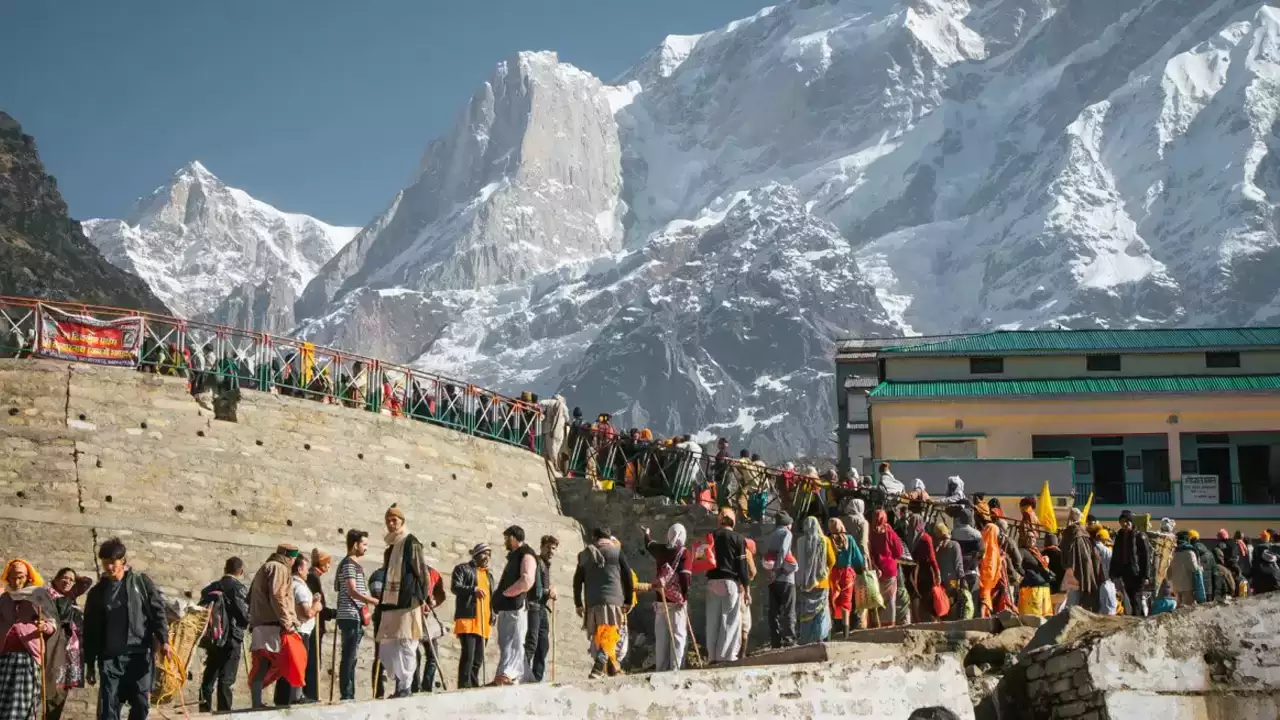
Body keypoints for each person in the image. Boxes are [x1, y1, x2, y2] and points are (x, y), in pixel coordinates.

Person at [83, 538, 171, 720]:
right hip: (110, 658)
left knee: (141, 704)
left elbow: (157, 613)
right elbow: (89, 629)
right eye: (105, 563)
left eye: (112, 563)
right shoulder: (97, 593)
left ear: (122, 560)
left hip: (139, 655)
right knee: (109, 708)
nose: (108, 568)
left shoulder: (141, 583)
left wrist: (164, 640)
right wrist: (90, 663)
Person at [376, 504, 434, 698]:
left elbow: (422, 572)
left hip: (408, 601)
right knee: (388, 645)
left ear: (402, 521)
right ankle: (399, 683)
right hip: (391, 603)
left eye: (395, 521)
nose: (391, 524)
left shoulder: (411, 543)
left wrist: (424, 597)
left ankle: (405, 686)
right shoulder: (390, 548)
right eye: (388, 521)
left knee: (408, 644)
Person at [0, 559, 57, 720]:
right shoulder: (4, 598)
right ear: (7, 577)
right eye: (12, 577)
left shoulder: (38, 595)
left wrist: (44, 627)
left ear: (28, 578)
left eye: (20, 577)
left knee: (21, 701)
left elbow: (52, 622)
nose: (16, 581)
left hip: (27, 657)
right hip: (4, 656)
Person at [574, 527, 635, 677]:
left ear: (595, 538)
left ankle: (609, 668)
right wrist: (628, 600)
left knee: (601, 634)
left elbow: (577, 581)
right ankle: (600, 662)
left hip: (593, 602)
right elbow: (627, 577)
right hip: (614, 600)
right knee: (611, 632)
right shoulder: (616, 552)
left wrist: (578, 603)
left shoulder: (584, 555)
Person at [246, 544, 302, 709]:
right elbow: (277, 596)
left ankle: (257, 702)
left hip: (261, 623)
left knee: (263, 664)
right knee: (287, 661)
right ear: (290, 558)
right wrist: (287, 622)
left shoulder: (265, 567)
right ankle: (291, 699)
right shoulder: (279, 568)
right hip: (272, 625)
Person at [197, 557, 249, 713]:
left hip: (213, 638)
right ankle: (224, 713)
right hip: (231, 638)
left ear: (225, 569)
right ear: (240, 571)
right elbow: (244, 615)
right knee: (226, 678)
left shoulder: (210, 588)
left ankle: (204, 710)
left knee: (209, 675)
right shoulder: (238, 588)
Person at [491, 525, 538, 685]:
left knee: (514, 639)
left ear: (513, 537)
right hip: (507, 606)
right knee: (506, 640)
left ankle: (508, 673)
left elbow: (527, 580)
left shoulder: (526, 555)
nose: (505, 541)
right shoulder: (515, 556)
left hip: (515, 605)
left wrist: (505, 594)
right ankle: (521, 675)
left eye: (507, 538)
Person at [335, 529, 378, 701]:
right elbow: (352, 591)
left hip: (355, 616)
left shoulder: (353, 565)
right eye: (364, 544)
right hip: (350, 615)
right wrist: (371, 600)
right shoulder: (348, 565)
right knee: (349, 656)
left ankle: (349, 692)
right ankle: (347, 694)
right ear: (355, 545)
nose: (366, 548)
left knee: (352, 657)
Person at [274, 556, 321, 705]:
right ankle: (297, 696)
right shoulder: (299, 587)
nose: (308, 572)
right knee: (298, 664)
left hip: (291, 630)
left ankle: (282, 698)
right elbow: (306, 613)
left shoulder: (289, 585)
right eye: (306, 569)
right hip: (301, 630)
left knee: (288, 665)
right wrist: (316, 607)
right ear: (300, 569)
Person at [645, 523, 693, 670]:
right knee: (678, 636)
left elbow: (649, 544)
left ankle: (661, 668)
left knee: (661, 638)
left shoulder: (660, 549)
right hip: (676, 602)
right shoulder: (684, 553)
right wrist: (684, 596)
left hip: (661, 599)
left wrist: (647, 533)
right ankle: (675, 668)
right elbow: (685, 577)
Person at [705, 509, 751, 663]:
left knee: (713, 620)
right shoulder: (738, 538)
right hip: (730, 582)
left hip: (712, 582)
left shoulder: (711, 536)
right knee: (730, 620)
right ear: (733, 523)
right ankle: (725, 656)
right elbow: (742, 567)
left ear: (719, 522)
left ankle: (712, 656)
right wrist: (747, 589)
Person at [46, 567, 92, 720]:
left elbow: (87, 581)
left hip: (71, 653)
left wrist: (74, 582)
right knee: (53, 692)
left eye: (71, 580)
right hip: (56, 650)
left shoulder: (70, 599)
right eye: (64, 578)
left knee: (61, 692)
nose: (67, 582)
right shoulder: (50, 596)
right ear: (56, 578)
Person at [452, 544, 495, 688]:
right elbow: (455, 587)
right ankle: (464, 685)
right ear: (476, 554)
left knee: (478, 659)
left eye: (489, 554)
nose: (487, 557)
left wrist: (493, 613)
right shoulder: (463, 569)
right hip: (468, 618)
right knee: (468, 656)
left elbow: (491, 598)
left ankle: (474, 685)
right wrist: (473, 589)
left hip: (484, 621)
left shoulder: (489, 576)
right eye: (484, 553)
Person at [793, 516, 834, 644]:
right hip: (821, 582)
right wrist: (825, 571)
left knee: (806, 612)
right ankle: (820, 637)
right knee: (821, 611)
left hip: (804, 583)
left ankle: (805, 639)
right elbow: (832, 560)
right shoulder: (824, 540)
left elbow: (797, 560)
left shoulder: (800, 541)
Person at [524, 535, 558, 683]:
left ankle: (537, 678)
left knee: (543, 644)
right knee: (532, 642)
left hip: (542, 608)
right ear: (542, 547)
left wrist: (550, 588)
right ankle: (522, 673)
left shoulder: (546, 565)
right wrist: (548, 591)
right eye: (548, 547)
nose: (551, 551)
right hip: (533, 607)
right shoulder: (537, 562)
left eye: (554, 548)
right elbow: (534, 588)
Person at [763, 512, 798, 648]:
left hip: (772, 579)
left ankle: (775, 641)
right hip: (786, 578)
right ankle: (789, 640)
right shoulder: (786, 533)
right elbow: (783, 551)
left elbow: (767, 554)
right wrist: (779, 569)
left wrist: (773, 572)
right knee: (789, 610)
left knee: (774, 611)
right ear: (787, 523)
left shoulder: (771, 534)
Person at [303, 550, 332, 702]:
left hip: (315, 624)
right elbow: (320, 605)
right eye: (327, 562)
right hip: (315, 625)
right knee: (313, 660)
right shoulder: (313, 577)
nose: (329, 565)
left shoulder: (314, 576)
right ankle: (312, 694)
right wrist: (335, 613)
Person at [1110, 510, 1151, 616]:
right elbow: (1116, 555)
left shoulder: (1139, 536)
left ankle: (1137, 620)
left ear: (1132, 522)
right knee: (1131, 596)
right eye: (1122, 521)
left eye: (1127, 521)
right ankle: (1138, 618)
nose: (1125, 524)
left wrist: (1146, 575)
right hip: (1125, 571)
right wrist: (1113, 572)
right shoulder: (1119, 536)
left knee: (1136, 597)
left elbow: (1145, 556)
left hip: (1137, 572)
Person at [869, 510, 904, 627]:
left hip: (876, 570)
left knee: (877, 597)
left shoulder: (870, 532)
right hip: (889, 569)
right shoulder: (889, 532)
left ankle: (876, 623)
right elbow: (899, 551)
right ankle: (889, 624)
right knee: (890, 599)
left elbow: (870, 552)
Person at [828, 518, 863, 634]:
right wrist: (860, 569)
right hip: (847, 574)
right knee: (846, 601)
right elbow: (858, 558)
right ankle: (846, 631)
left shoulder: (828, 540)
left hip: (833, 573)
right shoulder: (850, 539)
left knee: (834, 600)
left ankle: (836, 625)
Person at [1017, 532, 1055, 617]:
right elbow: (1017, 564)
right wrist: (1025, 575)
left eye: (1033, 537)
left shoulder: (1036, 552)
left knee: (1045, 618)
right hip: (1032, 589)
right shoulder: (1022, 551)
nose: (1031, 539)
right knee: (1033, 617)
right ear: (1024, 539)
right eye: (1028, 537)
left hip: (1044, 588)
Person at [934, 524, 966, 619]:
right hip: (952, 581)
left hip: (940, 581)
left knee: (942, 603)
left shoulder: (936, 548)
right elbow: (958, 565)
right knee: (952, 603)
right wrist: (962, 580)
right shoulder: (954, 545)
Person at [1168, 532, 1206, 607]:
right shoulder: (1189, 552)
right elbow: (1194, 568)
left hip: (1175, 585)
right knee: (1187, 609)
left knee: (1178, 607)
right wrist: (1200, 568)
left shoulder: (1172, 551)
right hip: (1187, 585)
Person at [1188, 531, 1217, 603]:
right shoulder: (1209, 553)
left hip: (1195, 590)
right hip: (1209, 590)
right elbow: (1215, 572)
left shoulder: (1189, 553)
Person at [1094, 529, 1118, 615]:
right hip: (1107, 580)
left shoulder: (1091, 548)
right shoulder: (1107, 551)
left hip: (1096, 581)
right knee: (1110, 606)